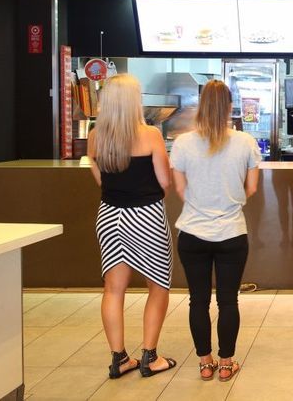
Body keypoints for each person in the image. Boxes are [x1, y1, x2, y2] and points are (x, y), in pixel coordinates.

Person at [171, 80, 261, 382]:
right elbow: (251, 188)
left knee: (198, 300)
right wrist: (227, 201)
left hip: (192, 234)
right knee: (228, 300)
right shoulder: (245, 142)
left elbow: (180, 188)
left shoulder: (183, 143)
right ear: (230, 108)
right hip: (232, 232)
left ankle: (205, 363)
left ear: (200, 106)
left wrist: (201, 204)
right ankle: (226, 364)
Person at [88, 74, 176, 379]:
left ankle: (119, 358)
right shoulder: (150, 134)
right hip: (147, 216)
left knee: (113, 289)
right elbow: (165, 182)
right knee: (159, 284)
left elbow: (98, 175)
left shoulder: (96, 135)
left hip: (109, 215)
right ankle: (150, 357)